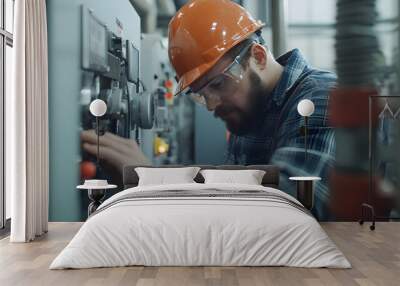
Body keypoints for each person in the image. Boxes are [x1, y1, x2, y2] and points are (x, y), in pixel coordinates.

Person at [82, 0, 336, 220]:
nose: (213, 105)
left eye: (218, 84)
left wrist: (152, 182)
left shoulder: (322, 99)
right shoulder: (250, 111)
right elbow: (229, 194)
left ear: (258, 57)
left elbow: (285, 215)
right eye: (201, 94)